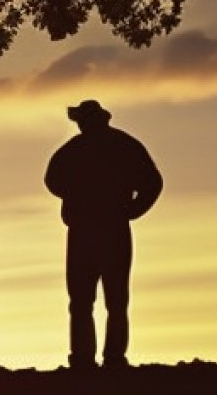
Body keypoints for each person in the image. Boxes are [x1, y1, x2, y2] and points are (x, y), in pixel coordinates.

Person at [44, 100, 162, 370]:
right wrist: (133, 208)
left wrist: (133, 209)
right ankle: (101, 358)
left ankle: (95, 358)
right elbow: (153, 182)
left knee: (99, 300)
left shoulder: (77, 150)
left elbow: (52, 179)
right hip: (104, 228)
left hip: (96, 229)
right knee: (104, 300)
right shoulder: (123, 146)